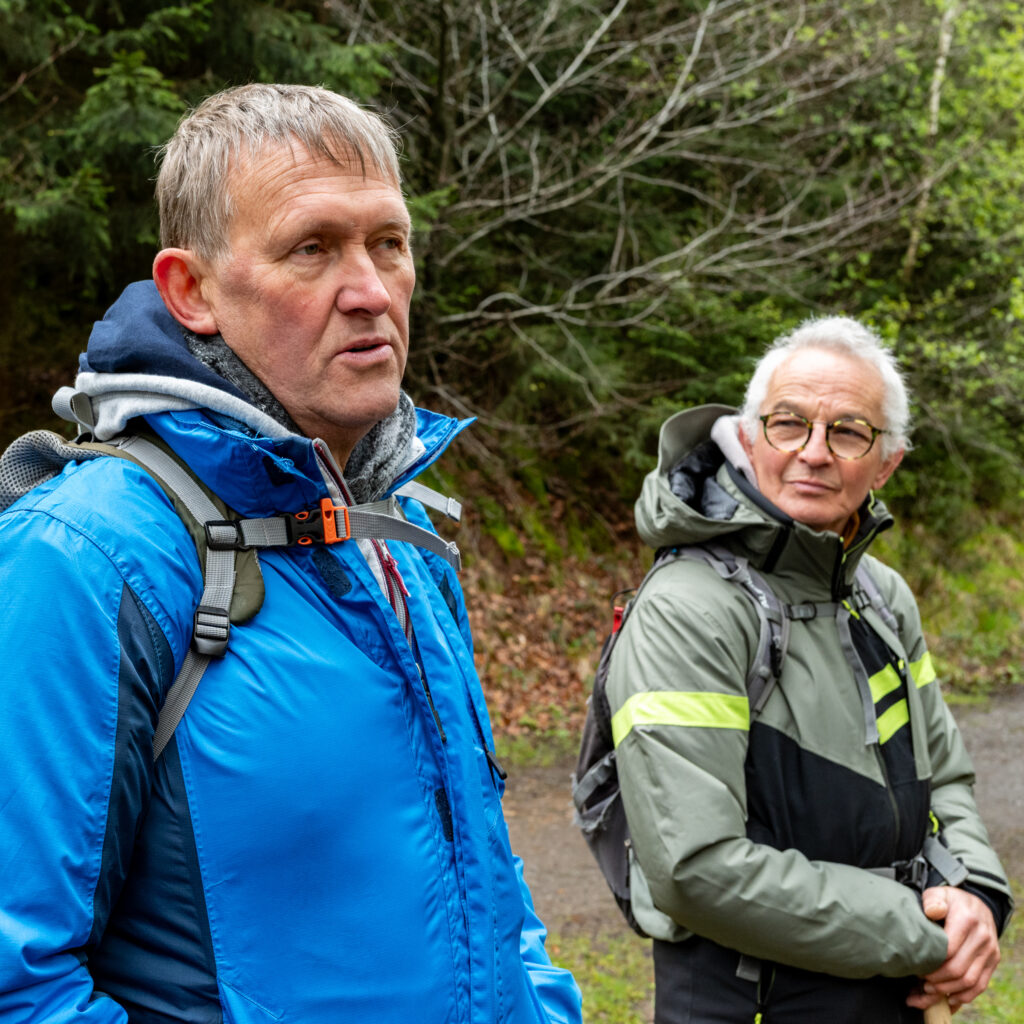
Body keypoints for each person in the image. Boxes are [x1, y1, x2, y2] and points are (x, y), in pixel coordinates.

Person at [0, 83, 582, 1024]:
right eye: (312, 248)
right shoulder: (84, 558)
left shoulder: (402, 536)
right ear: (191, 291)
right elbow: (19, 983)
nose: (370, 292)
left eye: (388, 243)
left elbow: (486, 877)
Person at [606, 317, 1012, 1023]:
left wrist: (977, 893)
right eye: (789, 423)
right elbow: (693, 867)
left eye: (849, 432)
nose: (814, 453)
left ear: (887, 464)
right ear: (750, 437)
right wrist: (922, 932)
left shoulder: (882, 597)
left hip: (892, 992)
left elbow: (944, 776)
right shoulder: (688, 608)